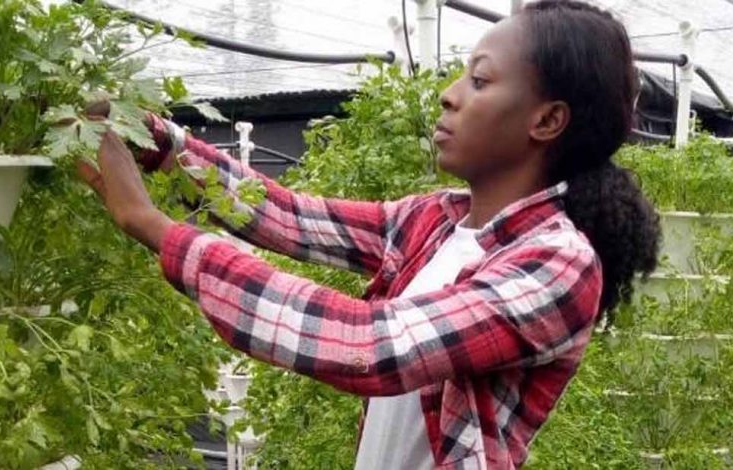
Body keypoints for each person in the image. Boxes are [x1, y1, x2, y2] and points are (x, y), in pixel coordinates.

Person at [78, 1, 660, 467]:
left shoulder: (558, 264)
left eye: (480, 81)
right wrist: (155, 144)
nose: (449, 93)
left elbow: (368, 348)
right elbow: (288, 215)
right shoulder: (434, 220)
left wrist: (153, 226)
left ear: (547, 120)